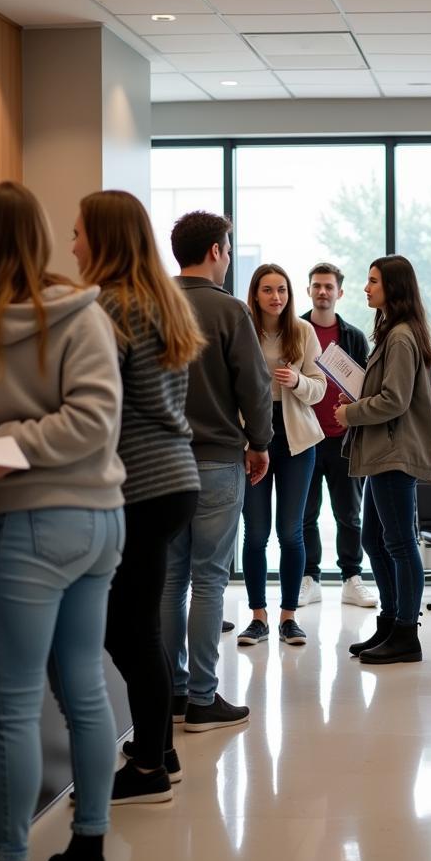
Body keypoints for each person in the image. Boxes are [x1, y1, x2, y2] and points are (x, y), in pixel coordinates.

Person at [0, 181, 125, 861]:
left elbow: (90, 420)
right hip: (99, 521)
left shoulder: (58, 314)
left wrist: (6, 440)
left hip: (36, 527)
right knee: (84, 690)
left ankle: (7, 860)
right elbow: (44, 412)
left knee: (13, 709)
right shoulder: (77, 314)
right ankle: (90, 848)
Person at [72, 190, 204, 803]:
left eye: (77, 234)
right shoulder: (157, 300)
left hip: (141, 483)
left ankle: (150, 765)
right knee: (135, 625)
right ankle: (160, 748)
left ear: (102, 239)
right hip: (172, 478)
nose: (71, 245)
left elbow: (95, 401)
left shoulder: (111, 306)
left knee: (127, 630)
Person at [162, 212, 271, 732]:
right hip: (217, 459)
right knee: (208, 581)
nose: (228, 258)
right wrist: (261, 442)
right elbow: (254, 384)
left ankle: (172, 692)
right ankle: (204, 698)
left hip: (158, 462)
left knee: (168, 580)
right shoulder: (229, 310)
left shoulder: (149, 305)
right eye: (227, 249)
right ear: (213, 251)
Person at [335, 255, 431, 665]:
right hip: (384, 450)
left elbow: (395, 400)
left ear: (392, 288)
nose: (366, 288)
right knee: (375, 540)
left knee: (397, 543)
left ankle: (405, 633)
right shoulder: (394, 333)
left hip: (393, 452)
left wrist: (351, 413)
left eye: (373, 281)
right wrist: (359, 402)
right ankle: (390, 621)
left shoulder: (399, 336)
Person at [240, 263, 327, 647]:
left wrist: (298, 381)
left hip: (297, 440)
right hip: (252, 439)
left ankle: (289, 617)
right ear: (255, 295)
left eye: (282, 290)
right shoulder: (242, 330)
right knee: (256, 532)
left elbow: (321, 387)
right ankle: (257, 616)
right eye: (268, 290)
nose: (276, 297)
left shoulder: (303, 331)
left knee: (291, 532)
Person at [297, 262, 377, 608]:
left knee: (349, 514)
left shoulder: (354, 337)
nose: (323, 292)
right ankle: (308, 578)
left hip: (344, 438)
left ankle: (351, 578)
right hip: (305, 437)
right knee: (305, 513)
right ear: (309, 290)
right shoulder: (296, 330)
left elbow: (366, 387)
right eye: (317, 286)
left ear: (340, 293)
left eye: (329, 287)